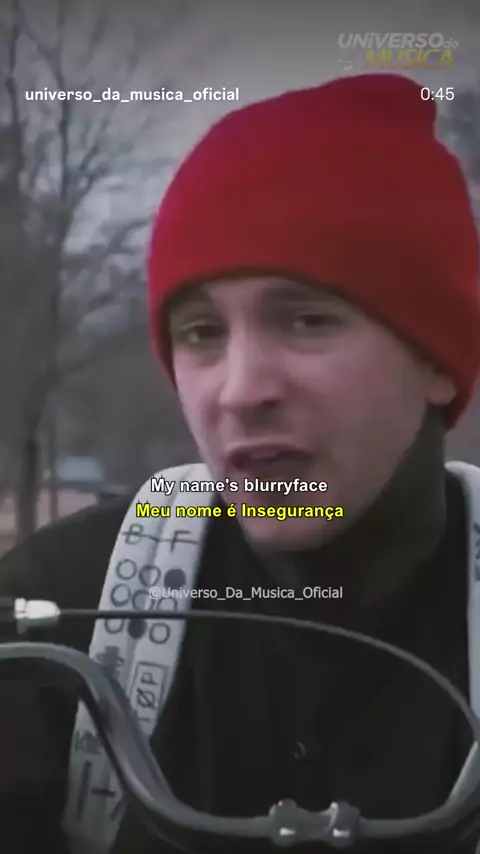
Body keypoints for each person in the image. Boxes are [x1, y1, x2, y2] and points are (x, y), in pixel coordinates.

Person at [0, 71, 479, 854]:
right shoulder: (60, 610)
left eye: (308, 320)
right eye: (201, 334)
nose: (241, 391)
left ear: (438, 361)